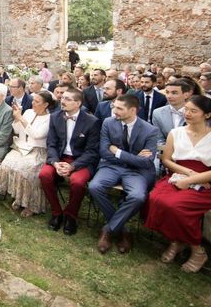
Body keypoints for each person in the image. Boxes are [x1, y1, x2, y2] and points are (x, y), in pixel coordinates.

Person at [144, 95, 211, 273]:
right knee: (156, 199)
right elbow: (166, 159)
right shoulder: (176, 132)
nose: (187, 113)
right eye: (186, 109)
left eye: (193, 111)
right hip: (177, 175)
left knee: (177, 207)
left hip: (205, 181)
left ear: (207, 114)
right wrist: (186, 173)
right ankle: (176, 241)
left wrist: (192, 179)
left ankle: (197, 250)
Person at [88, 94, 158, 254]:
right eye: (114, 107)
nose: (114, 111)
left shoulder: (150, 130)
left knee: (138, 196)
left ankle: (109, 229)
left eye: (119, 108)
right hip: (111, 166)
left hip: (137, 172)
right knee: (94, 187)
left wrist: (118, 152)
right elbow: (104, 151)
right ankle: (123, 230)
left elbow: (147, 162)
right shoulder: (108, 122)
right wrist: (134, 157)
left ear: (133, 110)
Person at [39, 87, 100, 235]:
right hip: (59, 158)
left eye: (67, 99)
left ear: (78, 103)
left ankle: (71, 216)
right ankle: (56, 212)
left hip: (81, 161)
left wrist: (73, 166)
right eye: (62, 98)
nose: (62, 101)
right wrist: (54, 162)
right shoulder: (55, 117)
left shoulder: (92, 122)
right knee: (44, 175)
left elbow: (92, 151)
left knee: (78, 182)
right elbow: (51, 144)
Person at [0, 91, 55, 217]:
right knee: (7, 164)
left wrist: (21, 118)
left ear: (45, 104)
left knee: (26, 171)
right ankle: (18, 197)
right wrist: (16, 118)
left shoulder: (49, 118)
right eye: (33, 100)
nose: (33, 103)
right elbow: (17, 130)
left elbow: (37, 135)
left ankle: (31, 204)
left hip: (37, 151)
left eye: (37, 101)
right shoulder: (29, 112)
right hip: (21, 147)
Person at [152, 79, 192, 146]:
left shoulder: (196, 112)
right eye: (167, 92)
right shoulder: (157, 113)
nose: (169, 96)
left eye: (174, 93)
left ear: (186, 95)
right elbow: (159, 139)